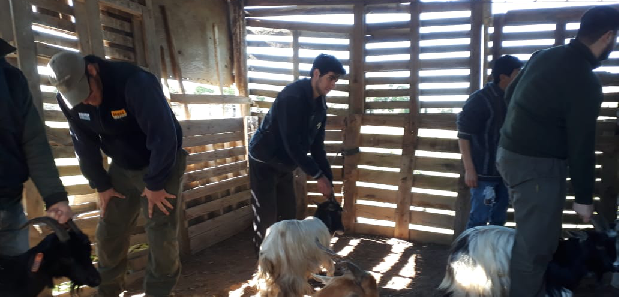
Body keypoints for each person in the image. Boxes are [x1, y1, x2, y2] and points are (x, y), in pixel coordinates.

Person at [495, 6, 619, 297]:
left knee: (535, 239)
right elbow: (582, 144)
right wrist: (584, 198)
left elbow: (510, 94)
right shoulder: (585, 81)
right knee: (535, 248)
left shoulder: (545, 55)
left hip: (510, 155)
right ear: (608, 36)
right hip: (537, 167)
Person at [47, 51, 187, 297]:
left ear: (92, 70)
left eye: (88, 93)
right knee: (110, 231)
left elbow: (164, 136)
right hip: (122, 167)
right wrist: (100, 183)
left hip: (161, 163)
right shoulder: (70, 100)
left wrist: (154, 184)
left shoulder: (135, 83)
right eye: (79, 100)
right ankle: (107, 292)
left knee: (160, 234)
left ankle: (159, 293)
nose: (87, 102)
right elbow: (83, 142)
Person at [248, 53, 346, 252]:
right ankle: (264, 268)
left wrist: (328, 178)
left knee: (289, 216)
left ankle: (287, 264)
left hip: (286, 163)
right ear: (316, 73)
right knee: (266, 217)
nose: (333, 84)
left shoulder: (320, 106)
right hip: (264, 159)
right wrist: (317, 176)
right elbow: (292, 144)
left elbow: (317, 147)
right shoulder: (291, 97)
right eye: (330, 78)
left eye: (336, 80)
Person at [0, 38, 73, 256]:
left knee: (16, 282)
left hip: (9, 207)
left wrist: (55, 196)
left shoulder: (11, 79)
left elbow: (33, 142)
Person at [457, 55, 523, 229]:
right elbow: (464, 135)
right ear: (503, 77)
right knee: (478, 220)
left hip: (505, 173)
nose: (521, 77)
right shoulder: (479, 99)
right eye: (517, 73)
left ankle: (491, 256)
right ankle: (468, 255)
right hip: (483, 174)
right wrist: (470, 170)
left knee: (499, 221)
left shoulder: (513, 99)